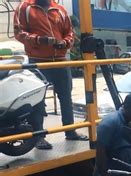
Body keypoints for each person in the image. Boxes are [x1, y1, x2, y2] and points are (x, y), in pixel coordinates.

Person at [14, 0, 88, 150]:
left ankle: (70, 131)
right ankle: (39, 136)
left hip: (60, 61)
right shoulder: (25, 8)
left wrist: (64, 43)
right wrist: (39, 40)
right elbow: (19, 32)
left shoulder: (59, 9)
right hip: (38, 62)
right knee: (37, 101)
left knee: (66, 97)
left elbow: (70, 33)